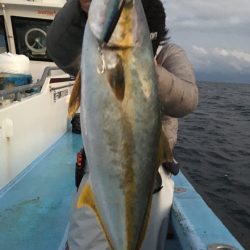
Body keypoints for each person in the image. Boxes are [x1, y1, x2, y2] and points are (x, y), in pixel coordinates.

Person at [46, 0, 198, 249]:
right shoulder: (96, 52)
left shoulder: (169, 53)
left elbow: (189, 98)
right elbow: (57, 46)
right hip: (101, 168)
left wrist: (141, 67)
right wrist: (77, 7)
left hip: (153, 175)